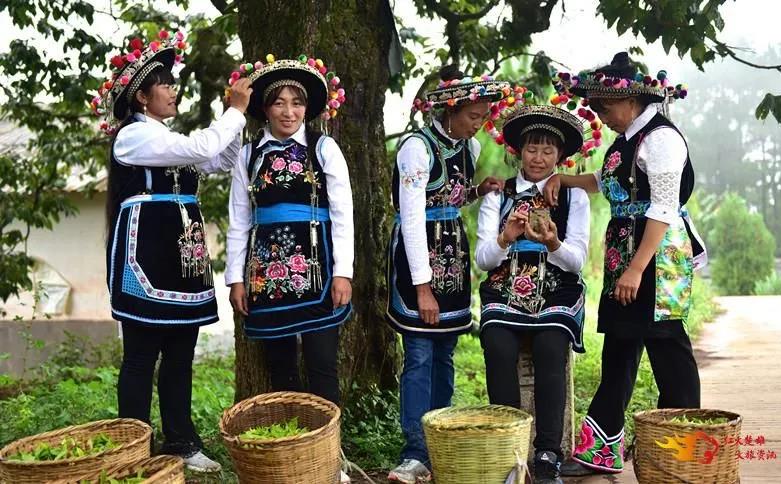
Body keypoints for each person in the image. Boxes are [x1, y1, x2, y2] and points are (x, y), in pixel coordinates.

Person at [95, 29, 252, 472]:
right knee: (141, 355)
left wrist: (234, 120)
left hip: (183, 255)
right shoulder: (134, 137)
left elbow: (219, 159)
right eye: (165, 84)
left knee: (181, 354)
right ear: (142, 97)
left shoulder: (167, 138)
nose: (173, 90)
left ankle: (181, 442)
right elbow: (203, 146)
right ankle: (132, 449)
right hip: (146, 252)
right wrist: (235, 112)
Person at [544, 52, 707, 475]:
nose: (602, 117)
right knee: (619, 344)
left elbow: (664, 208)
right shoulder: (626, 139)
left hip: (657, 256)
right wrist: (563, 179)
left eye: (606, 108)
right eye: (597, 109)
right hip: (626, 252)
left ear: (631, 100)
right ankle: (601, 451)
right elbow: (606, 182)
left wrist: (636, 268)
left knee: (667, 345)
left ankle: (682, 445)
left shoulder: (661, 139)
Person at [224, 54, 354, 482]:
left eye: (296, 103)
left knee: (322, 366)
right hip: (267, 277)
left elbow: (343, 212)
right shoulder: (248, 155)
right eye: (279, 102)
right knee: (281, 371)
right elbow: (239, 219)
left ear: (307, 108)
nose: (288, 111)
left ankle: (330, 460)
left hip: (318, 271)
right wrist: (236, 278)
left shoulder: (323, 148)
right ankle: (291, 461)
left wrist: (344, 272)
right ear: (264, 108)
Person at [386, 65, 508, 483]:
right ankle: (414, 451)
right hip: (417, 258)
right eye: (473, 115)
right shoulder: (416, 148)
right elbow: (413, 216)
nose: (480, 124)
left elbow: (449, 200)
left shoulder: (468, 148)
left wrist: (477, 192)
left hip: (453, 258)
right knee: (419, 352)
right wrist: (423, 288)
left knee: (445, 351)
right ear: (450, 110)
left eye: (484, 116)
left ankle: (440, 441)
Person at [477, 103, 591, 484]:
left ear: (560, 155)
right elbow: (483, 259)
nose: (538, 158)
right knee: (497, 344)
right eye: (531, 149)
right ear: (518, 151)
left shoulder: (574, 197)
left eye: (547, 150)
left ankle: (547, 454)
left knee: (550, 346)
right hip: (505, 290)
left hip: (556, 291)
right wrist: (505, 238)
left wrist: (554, 243)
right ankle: (509, 449)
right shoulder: (498, 195)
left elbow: (576, 261)